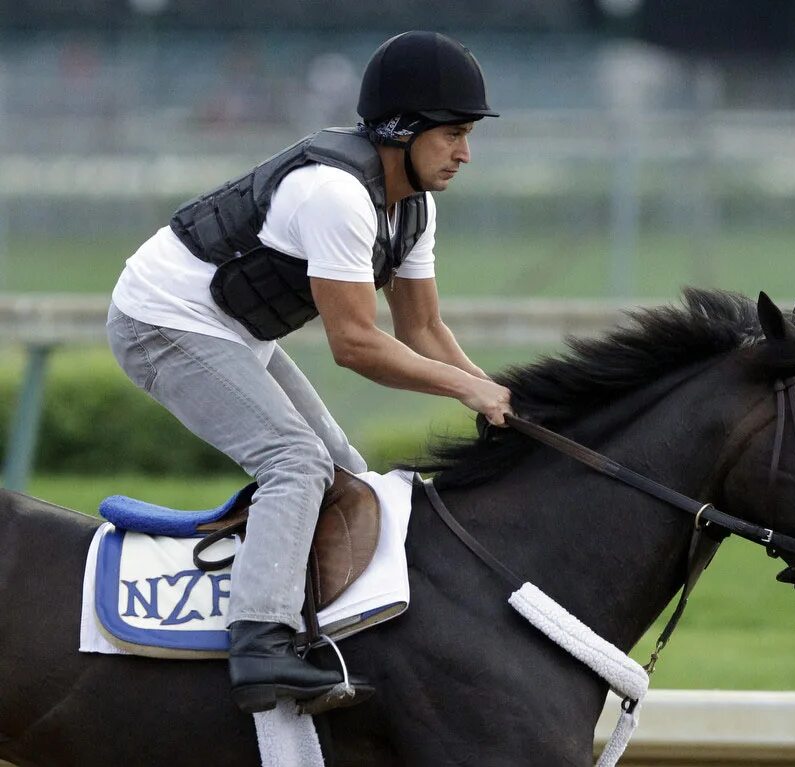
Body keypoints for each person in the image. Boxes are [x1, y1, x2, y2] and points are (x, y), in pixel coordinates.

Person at [106, 30, 513, 714]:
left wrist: (499, 395)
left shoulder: (412, 205)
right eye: (453, 135)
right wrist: (469, 388)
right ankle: (260, 641)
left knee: (344, 470)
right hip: (159, 322)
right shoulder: (336, 196)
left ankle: (329, 628)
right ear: (402, 130)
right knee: (295, 461)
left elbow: (422, 330)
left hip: (231, 329)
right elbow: (356, 345)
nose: (466, 153)